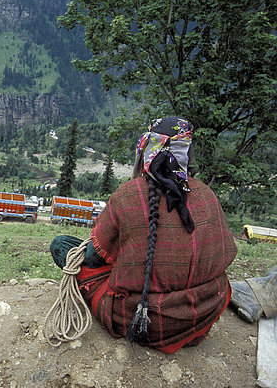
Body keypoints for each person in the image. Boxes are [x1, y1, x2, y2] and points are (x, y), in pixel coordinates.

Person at [50, 116, 237, 353]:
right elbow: (224, 254)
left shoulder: (127, 195)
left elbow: (95, 256)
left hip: (143, 320)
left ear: (147, 149)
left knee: (62, 245)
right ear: (186, 154)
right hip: (204, 311)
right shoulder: (207, 194)